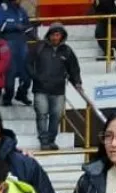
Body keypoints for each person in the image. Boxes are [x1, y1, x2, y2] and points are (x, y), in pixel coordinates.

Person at [28, 23, 82, 151]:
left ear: (62, 36)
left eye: (58, 35)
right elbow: (28, 64)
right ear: (49, 34)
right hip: (40, 88)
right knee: (41, 114)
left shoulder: (67, 51)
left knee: (56, 115)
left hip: (58, 90)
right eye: (53, 34)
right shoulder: (39, 47)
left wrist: (78, 83)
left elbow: (74, 69)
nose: (55, 37)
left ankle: (51, 140)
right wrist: (35, 77)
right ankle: (43, 141)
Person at [0, 0, 32, 106]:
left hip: (22, 44)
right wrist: (15, 26)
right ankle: (8, 96)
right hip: (8, 43)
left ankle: (22, 93)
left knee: (26, 73)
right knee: (10, 72)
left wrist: (30, 30)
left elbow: (27, 26)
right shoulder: (2, 8)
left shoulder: (22, 10)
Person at [92, 0, 116, 70]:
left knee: (112, 37)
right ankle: (109, 54)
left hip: (115, 17)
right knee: (99, 34)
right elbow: (98, 8)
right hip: (104, 18)